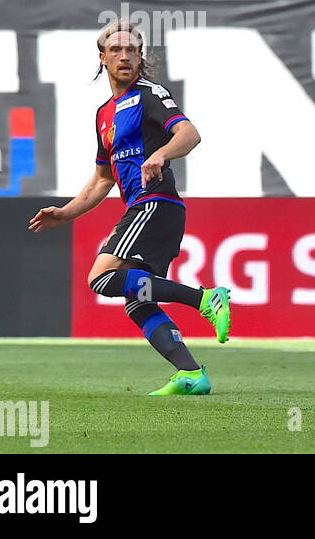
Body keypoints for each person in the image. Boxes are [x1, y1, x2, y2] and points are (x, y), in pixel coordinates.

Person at [28, 21, 233, 396]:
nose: (125, 56)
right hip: (146, 207)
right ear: (102, 57)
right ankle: (190, 374)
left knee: (100, 278)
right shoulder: (104, 114)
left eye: (132, 50)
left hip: (155, 202)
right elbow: (102, 180)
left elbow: (189, 134)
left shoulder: (149, 94)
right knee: (137, 302)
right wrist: (66, 212)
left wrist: (160, 153)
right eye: (117, 50)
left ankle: (204, 299)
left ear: (140, 58)